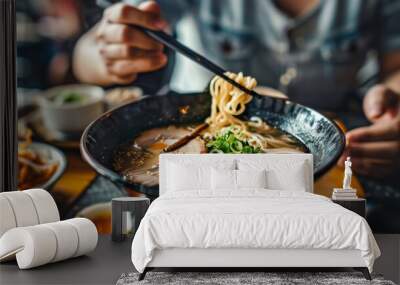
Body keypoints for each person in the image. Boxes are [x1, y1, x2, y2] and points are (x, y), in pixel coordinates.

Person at [73, 1, 400, 186]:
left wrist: (391, 105)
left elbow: (395, 69)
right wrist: (108, 52)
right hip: (183, 123)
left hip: (327, 143)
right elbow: (84, 55)